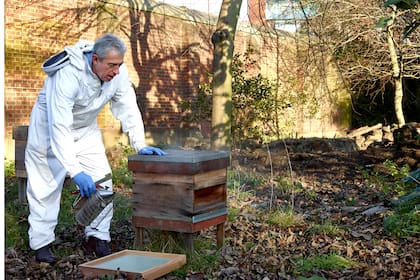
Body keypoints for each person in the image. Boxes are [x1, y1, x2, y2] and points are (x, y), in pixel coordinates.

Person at [25, 33, 166, 263]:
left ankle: (97, 237)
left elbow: (129, 107)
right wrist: (75, 171)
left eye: (119, 64)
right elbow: (59, 125)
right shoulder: (67, 74)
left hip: (86, 131)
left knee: (103, 181)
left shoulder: (117, 74)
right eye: (111, 65)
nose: (116, 71)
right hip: (49, 132)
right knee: (45, 188)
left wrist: (139, 143)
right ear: (95, 60)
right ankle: (42, 244)